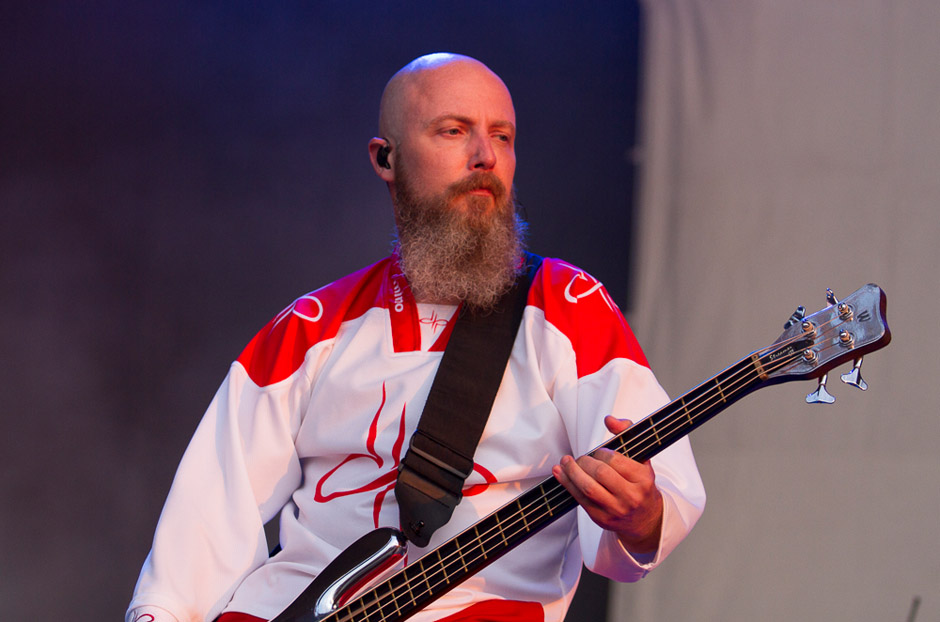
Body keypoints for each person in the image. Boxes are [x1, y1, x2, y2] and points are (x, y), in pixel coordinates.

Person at [127, 52, 705, 622]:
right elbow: (207, 516)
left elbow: (663, 493)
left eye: (501, 137)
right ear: (386, 158)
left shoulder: (567, 306)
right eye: (454, 131)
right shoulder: (313, 325)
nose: (485, 157)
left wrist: (642, 513)